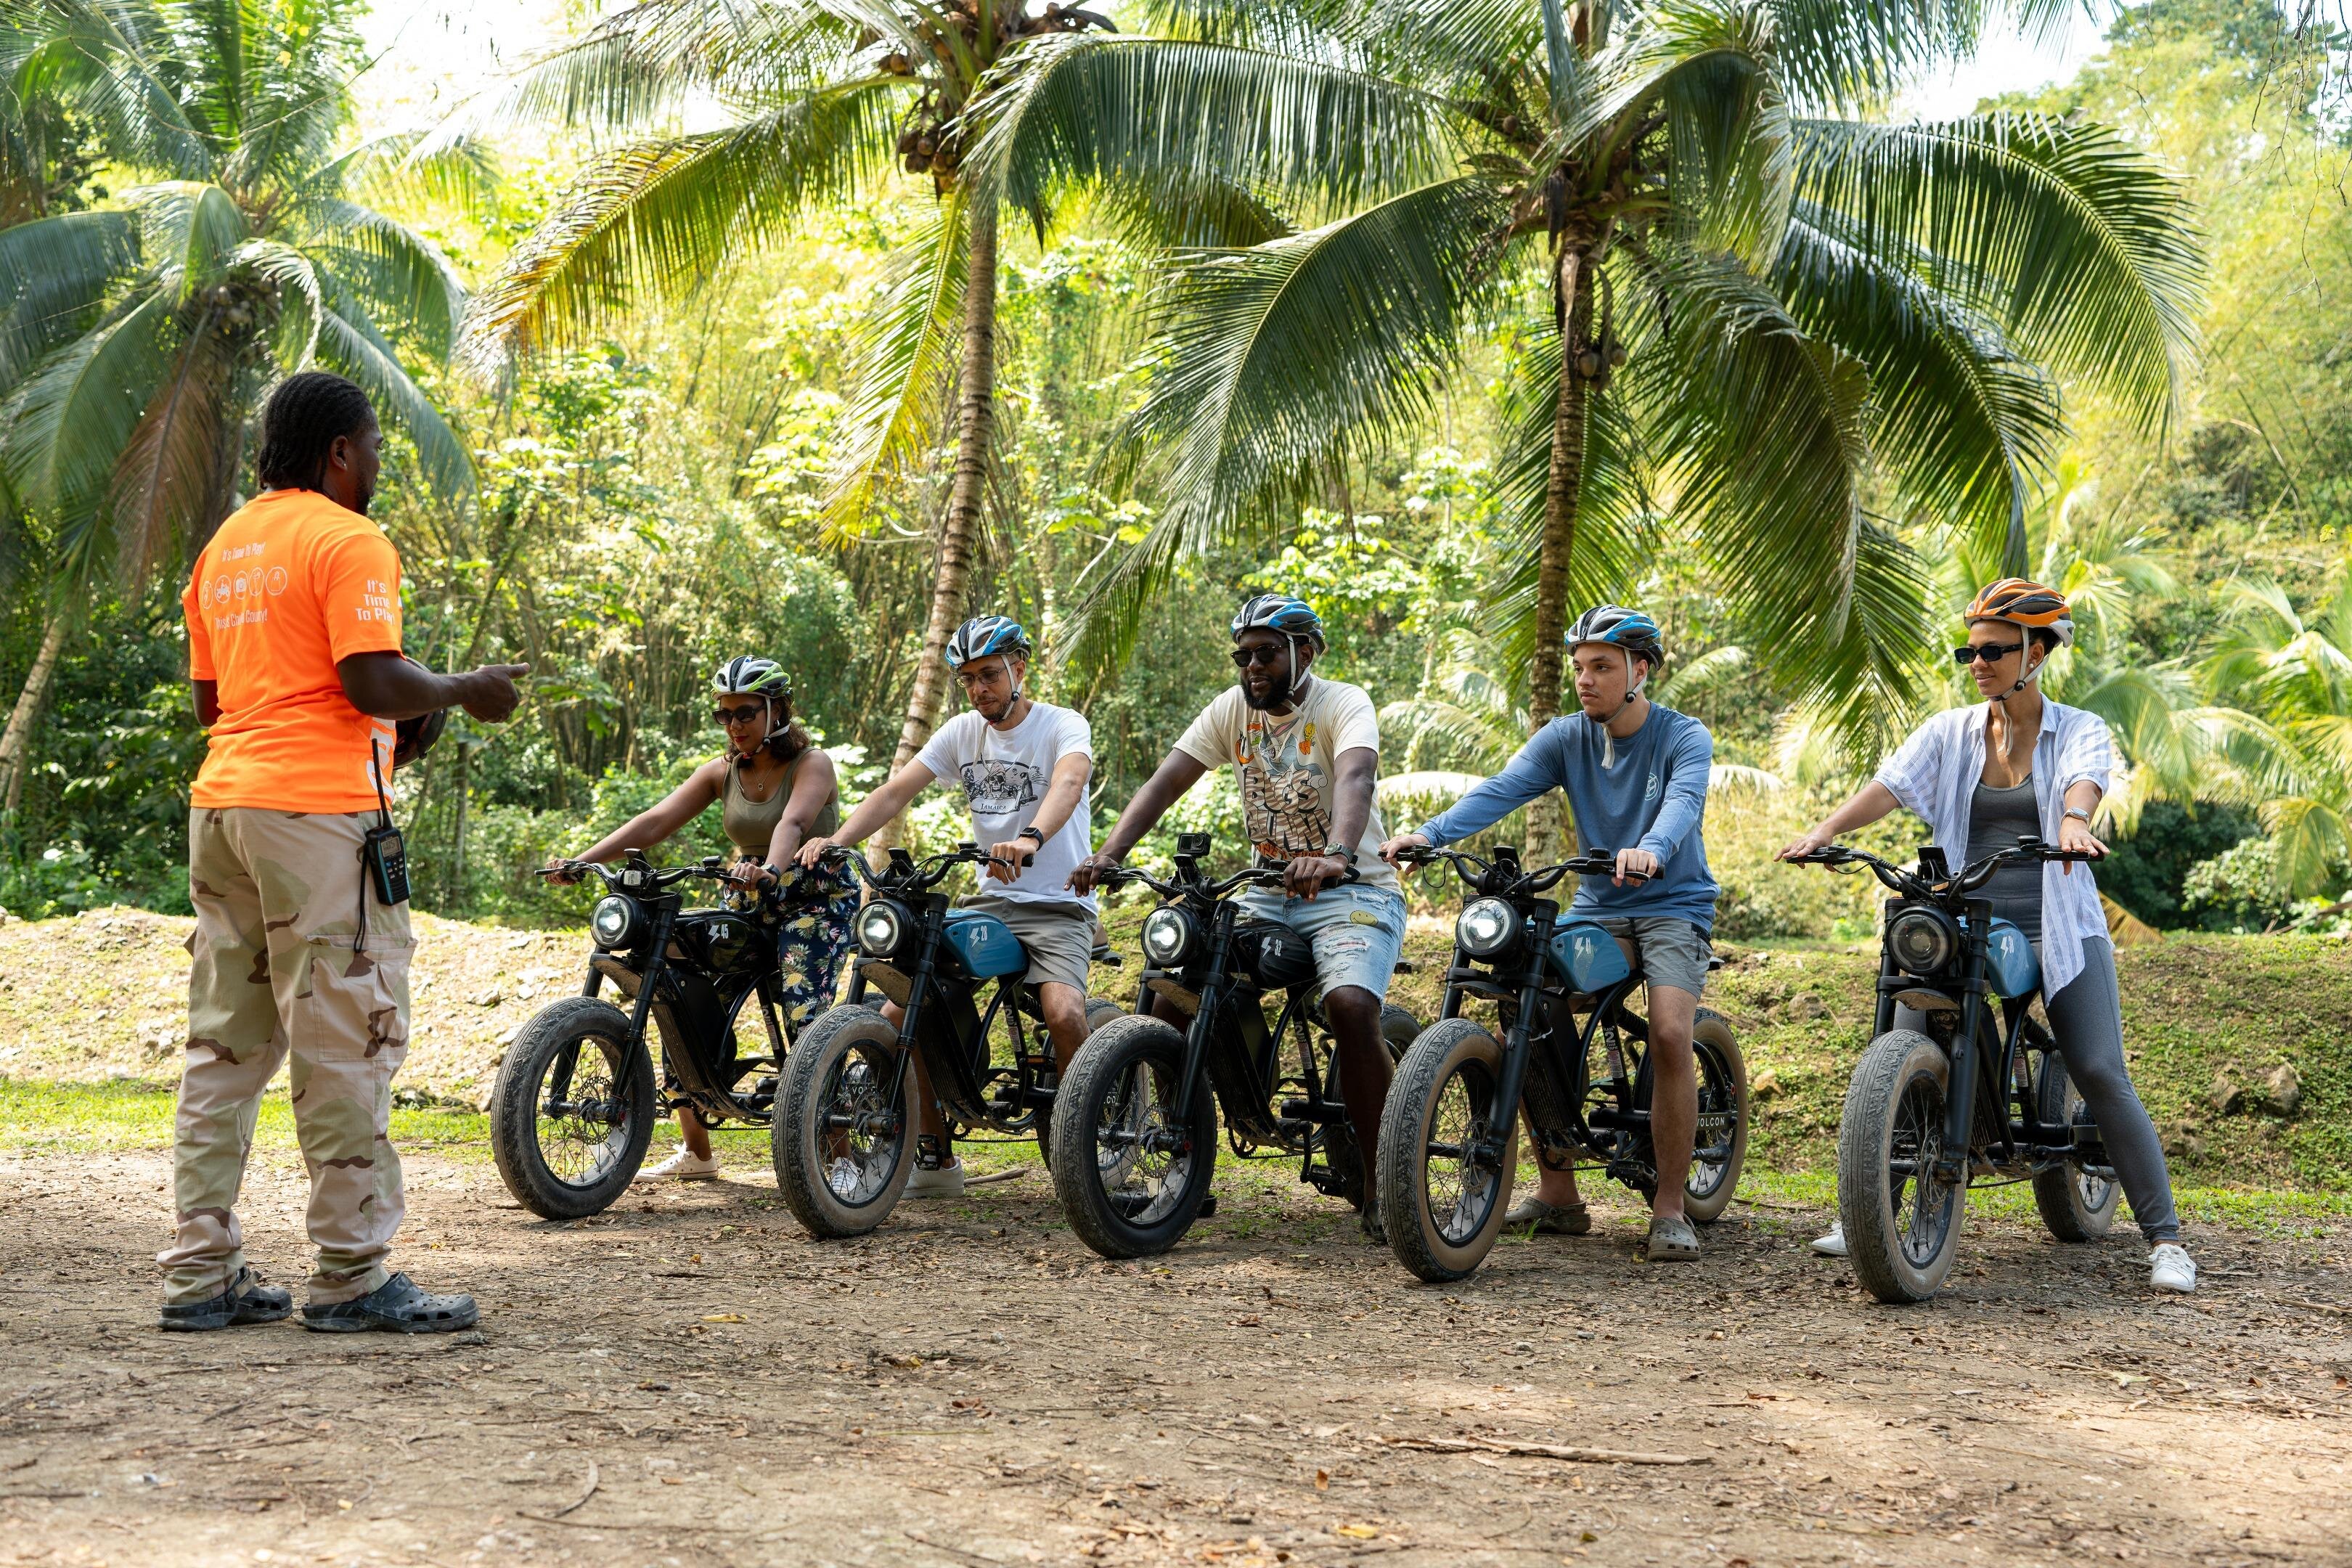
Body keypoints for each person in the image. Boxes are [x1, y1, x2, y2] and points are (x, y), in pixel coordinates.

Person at [163, 370, 528, 1334]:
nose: (376, 465)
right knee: (346, 1041)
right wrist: (461, 688)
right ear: (338, 452)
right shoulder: (347, 538)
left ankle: (200, 1273)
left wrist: (402, 713)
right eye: (372, 448)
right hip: (316, 819)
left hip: (224, 809)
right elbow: (370, 679)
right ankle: (351, 1274)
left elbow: (215, 704)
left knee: (224, 1046)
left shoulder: (224, 550)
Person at [1779, 579, 2196, 1294]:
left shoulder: (2079, 727)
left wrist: (2073, 823)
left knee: (2099, 1069)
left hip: (2055, 924)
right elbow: (1890, 786)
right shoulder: (1949, 732)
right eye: (1969, 651)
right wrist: (1825, 831)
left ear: (2037, 652)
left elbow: (2084, 782)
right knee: (1904, 1037)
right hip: (1965, 922)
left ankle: (2165, 1240)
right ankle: (1871, 1209)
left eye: (1994, 650)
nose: (1978, 663)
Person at [1381, 605, 1719, 1263]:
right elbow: (1502, 789)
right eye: (1579, 667)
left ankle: (1671, 1207)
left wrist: (1651, 849)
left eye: (1602, 667)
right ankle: (1560, 1192)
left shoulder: (1684, 736)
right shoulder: (1566, 738)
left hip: (1674, 907)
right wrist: (1430, 834)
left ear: (1639, 672)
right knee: (1529, 1006)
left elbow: (1683, 803)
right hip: (1598, 907)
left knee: (1671, 1032)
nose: (1585, 680)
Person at [1069, 595, 1405, 1242]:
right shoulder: (1232, 710)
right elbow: (1166, 782)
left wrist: (1337, 854)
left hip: (1354, 891)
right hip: (1267, 892)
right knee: (1173, 991)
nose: (1252, 667)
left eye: (1267, 654)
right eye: (1243, 656)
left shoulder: (1342, 703)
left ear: (1306, 652)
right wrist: (1109, 854)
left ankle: (1385, 1182)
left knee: (1350, 1007)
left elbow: (1357, 777)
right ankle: (1185, 1162)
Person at [797, 615, 1099, 1199]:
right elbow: (895, 791)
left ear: (1019, 668)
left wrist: (1030, 838)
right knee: (898, 1014)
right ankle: (935, 1158)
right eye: (968, 679)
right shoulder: (962, 732)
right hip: (991, 903)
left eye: (989, 675)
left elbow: (1069, 783)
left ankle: (1086, 1148)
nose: (979, 689)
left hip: (1059, 906)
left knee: (1063, 1014)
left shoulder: (1063, 725)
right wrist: (838, 841)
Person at [545, 656, 856, 1182]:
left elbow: (793, 822)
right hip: (751, 896)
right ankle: (698, 1153)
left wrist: (770, 869)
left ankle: (840, 1156)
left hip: (815, 900)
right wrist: (584, 860)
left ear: (777, 710)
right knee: (680, 998)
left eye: (745, 713)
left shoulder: (813, 763)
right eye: (724, 715)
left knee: (807, 1019)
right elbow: (655, 821)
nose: (734, 725)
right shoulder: (722, 771)